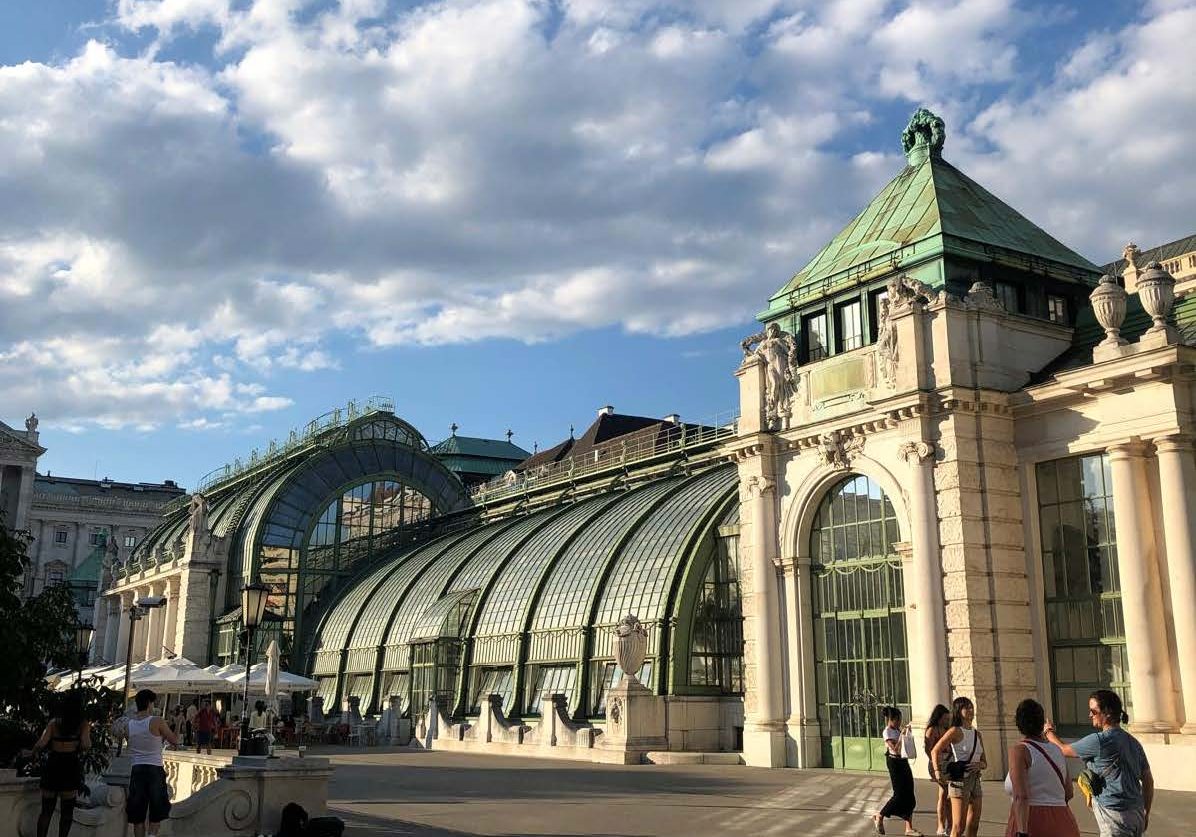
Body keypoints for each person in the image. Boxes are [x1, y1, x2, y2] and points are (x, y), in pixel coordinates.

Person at [1045, 689, 1152, 837]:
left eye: (1093, 711)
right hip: (1136, 814)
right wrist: (1146, 812)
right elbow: (1148, 780)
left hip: (1114, 814)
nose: (1090, 715)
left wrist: (1048, 732)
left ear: (1107, 712)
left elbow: (1063, 750)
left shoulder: (1099, 741)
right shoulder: (1133, 742)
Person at [1004, 698, 1080, 837]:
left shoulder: (1019, 751)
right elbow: (1068, 792)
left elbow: (1021, 796)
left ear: (1019, 723)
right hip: (1063, 819)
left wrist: (1022, 832)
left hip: (1032, 820)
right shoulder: (1057, 750)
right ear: (1041, 723)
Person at [28, 692, 91, 837]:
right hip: (70, 765)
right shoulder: (82, 724)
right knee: (67, 812)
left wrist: (32, 752)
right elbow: (86, 745)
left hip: (53, 764)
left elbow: (41, 743)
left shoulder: (54, 723)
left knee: (46, 811)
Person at [930, 696, 987, 837]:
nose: (970, 710)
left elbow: (985, 761)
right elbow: (935, 750)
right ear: (958, 711)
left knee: (974, 823)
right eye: (966, 707)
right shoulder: (955, 731)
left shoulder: (977, 734)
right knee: (958, 827)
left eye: (971, 706)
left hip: (975, 779)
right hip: (960, 780)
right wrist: (937, 771)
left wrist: (980, 765)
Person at [126, 689, 179, 837]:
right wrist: (179, 724)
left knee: (138, 813)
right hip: (154, 769)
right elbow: (174, 741)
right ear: (149, 703)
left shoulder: (129, 725)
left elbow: (139, 742)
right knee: (157, 809)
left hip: (136, 769)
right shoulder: (157, 721)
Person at [872, 706, 922, 836]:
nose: (900, 722)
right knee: (899, 794)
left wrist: (905, 733)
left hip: (903, 761)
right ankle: (880, 815)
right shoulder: (887, 732)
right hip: (894, 763)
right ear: (892, 719)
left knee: (910, 794)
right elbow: (894, 748)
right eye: (898, 719)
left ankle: (908, 827)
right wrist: (902, 736)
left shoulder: (897, 730)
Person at [924, 704, 952, 837]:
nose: (947, 721)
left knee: (948, 795)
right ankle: (941, 825)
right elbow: (929, 750)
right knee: (944, 794)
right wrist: (937, 765)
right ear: (939, 717)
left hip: (949, 763)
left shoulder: (948, 729)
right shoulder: (932, 730)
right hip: (938, 765)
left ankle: (950, 824)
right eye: (945, 718)